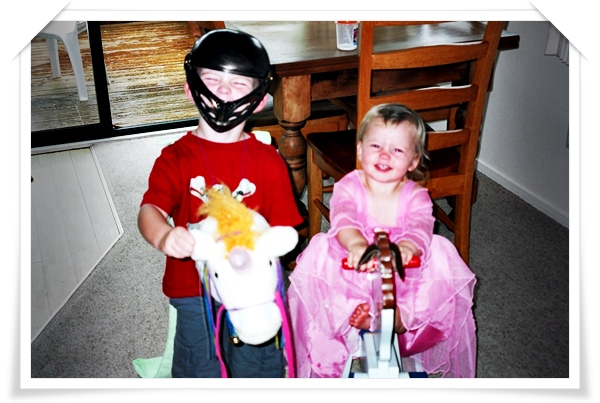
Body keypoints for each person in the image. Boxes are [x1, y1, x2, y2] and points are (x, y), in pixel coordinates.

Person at [138, 29, 303, 378]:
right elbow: (150, 210)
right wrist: (164, 236)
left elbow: (283, 231)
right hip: (193, 285)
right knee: (199, 368)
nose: (224, 91)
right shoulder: (175, 158)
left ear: (259, 100)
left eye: (238, 83)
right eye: (212, 79)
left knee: (259, 365)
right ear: (190, 89)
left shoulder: (270, 161)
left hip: (253, 287)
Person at [287, 103, 477, 378]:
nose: (385, 155)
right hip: (354, 265)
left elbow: (420, 226)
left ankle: (400, 319)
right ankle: (357, 322)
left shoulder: (417, 196)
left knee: (441, 255)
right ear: (360, 150)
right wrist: (355, 244)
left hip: (402, 270)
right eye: (376, 146)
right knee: (319, 260)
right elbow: (344, 219)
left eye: (397, 150)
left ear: (413, 161)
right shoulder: (349, 185)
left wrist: (409, 246)